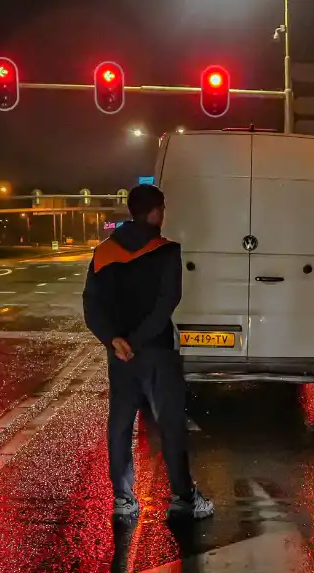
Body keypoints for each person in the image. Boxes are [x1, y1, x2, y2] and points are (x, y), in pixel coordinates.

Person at [82, 184, 214, 521]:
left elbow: (92, 305)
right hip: (156, 352)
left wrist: (114, 340)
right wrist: (138, 341)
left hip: (120, 355)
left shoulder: (103, 253)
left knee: (121, 424)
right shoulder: (167, 251)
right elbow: (167, 302)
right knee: (170, 424)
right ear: (155, 212)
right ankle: (184, 497)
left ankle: (123, 499)